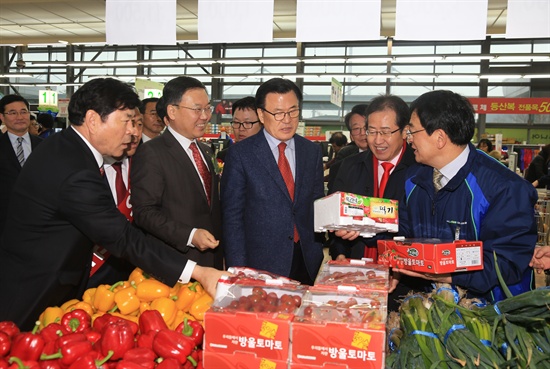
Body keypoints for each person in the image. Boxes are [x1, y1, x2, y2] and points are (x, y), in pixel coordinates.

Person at [0, 78, 228, 330]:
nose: (133, 131)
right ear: (93, 119)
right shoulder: (74, 169)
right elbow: (122, 237)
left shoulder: (66, 148)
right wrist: (198, 272)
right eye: (127, 121)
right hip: (35, 289)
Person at [395, 90, 537, 303]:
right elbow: (404, 231)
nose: (409, 140)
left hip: (486, 317)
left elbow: (507, 261)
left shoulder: (505, 188)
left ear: (440, 138)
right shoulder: (414, 178)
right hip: (430, 308)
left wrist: (445, 274)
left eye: (412, 131)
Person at [220, 78, 325, 285]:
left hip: (305, 259)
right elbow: (233, 218)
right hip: (260, 263)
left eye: (293, 111)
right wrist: (238, 271)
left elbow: (316, 202)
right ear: (261, 114)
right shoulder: (240, 155)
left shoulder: (311, 151)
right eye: (278, 113)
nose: (287, 120)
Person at [130, 76, 224, 270]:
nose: (205, 116)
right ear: (172, 111)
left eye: (207, 108)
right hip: (175, 263)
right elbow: (144, 212)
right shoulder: (152, 152)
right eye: (197, 109)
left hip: (211, 261)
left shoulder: (205, 150)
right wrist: (189, 235)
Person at [330, 95, 415, 260]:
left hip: (403, 273)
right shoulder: (349, 167)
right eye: (372, 132)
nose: (377, 140)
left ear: (405, 131)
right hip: (355, 270)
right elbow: (335, 219)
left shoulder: (420, 170)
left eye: (385, 132)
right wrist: (339, 253)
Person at [87, 107, 144, 287]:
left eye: (139, 125)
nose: (134, 133)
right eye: (127, 124)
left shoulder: (145, 165)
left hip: (136, 271)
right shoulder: (87, 167)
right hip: (92, 272)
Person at [0, 95, 43, 236]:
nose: (20, 116)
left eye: (24, 112)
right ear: (2, 117)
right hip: (5, 222)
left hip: (39, 222)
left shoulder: (45, 146)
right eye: (12, 113)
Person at [326, 104, 369, 194]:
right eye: (356, 128)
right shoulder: (339, 168)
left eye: (367, 127)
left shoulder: (390, 164)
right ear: (351, 136)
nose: (362, 133)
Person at [217, 96, 262, 162]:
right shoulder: (225, 156)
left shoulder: (273, 156)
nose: (241, 128)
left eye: (247, 123)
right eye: (236, 122)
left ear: (262, 124)